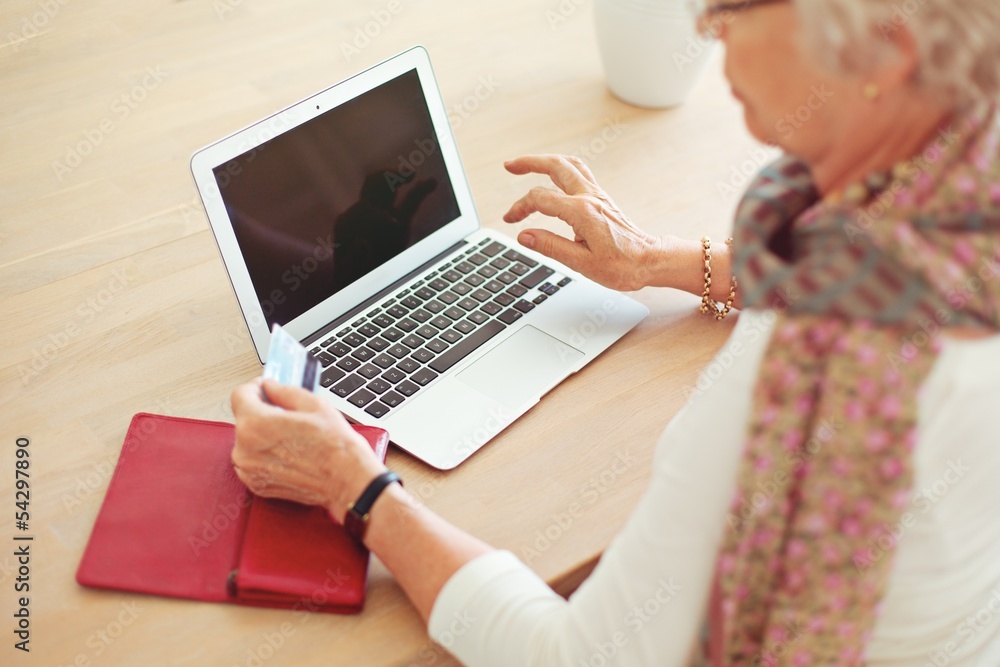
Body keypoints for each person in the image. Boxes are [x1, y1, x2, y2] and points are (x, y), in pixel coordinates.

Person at [230, 0, 1000, 663]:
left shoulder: (814, 368)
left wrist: (355, 487)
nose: (707, 23)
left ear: (891, 49)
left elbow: (578, 655)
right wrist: (658, 262)